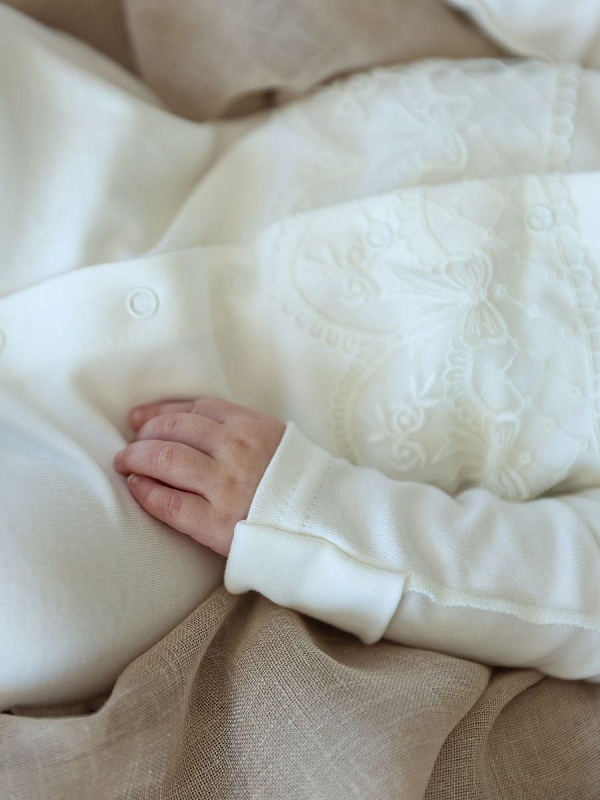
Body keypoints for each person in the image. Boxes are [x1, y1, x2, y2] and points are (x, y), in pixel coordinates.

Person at [1, 1, 600, 710]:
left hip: (197, 451)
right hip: (156, 187)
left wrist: (308, 512)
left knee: (35, 614)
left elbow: (571, 590)